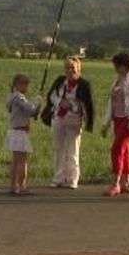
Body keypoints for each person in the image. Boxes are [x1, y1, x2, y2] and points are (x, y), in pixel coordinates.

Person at [44, 56, 95, 189]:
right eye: (67, 67)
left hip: (74, 120)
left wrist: (74, 107)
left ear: (79, 69)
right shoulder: (60, 81)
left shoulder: (84, 84)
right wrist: (61, 102)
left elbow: (88, 105)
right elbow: (51, 96)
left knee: (73, 150)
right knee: (58, 149)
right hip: (59, 118)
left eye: (73, 67)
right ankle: (58, 178)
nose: (70, 70)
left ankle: (73, 179)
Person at [101, 52, 129, 197]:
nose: (116, 68)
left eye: (118, 65)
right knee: (125, 150)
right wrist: (106, 123)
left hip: (128, 119)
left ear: (125, 65)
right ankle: (126, 182)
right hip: (117, 119)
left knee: (116, 149)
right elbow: (111, 103)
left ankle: (116, 183)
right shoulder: (116, 80)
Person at [5, 73, 43, 196]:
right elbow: (30, 110)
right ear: (16, 85)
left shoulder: (12, 97)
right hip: (20, 132)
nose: (26, 87)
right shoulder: (19, 98)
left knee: (15, 161)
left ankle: (13, 186)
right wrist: (38, 100)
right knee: (22, 161)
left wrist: (36, 107)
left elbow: (30, 113)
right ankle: (21, 186)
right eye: (24, 84)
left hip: (14, 131)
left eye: (27, 84)